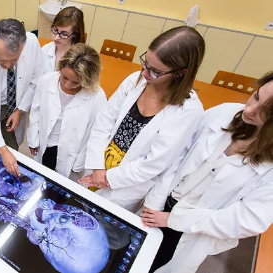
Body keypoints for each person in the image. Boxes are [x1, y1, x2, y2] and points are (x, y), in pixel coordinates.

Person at [141, 71, 273, 273]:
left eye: (263, 111)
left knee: (159, 266)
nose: (250, 109)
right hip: (161, 203)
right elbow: (179, 152)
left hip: (195, 229)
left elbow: (247, 220)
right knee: (132, 255)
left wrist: (173, 219)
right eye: (256, 96)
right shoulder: (225, 113)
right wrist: (155, 202)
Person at [79, 26, 205, 212]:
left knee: (100, 220)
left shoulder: (188, 111)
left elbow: (153, 163)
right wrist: (98, 167)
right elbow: (104, 122)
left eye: (155, 71)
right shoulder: (135, 80)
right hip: (97, 164)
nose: (145, 73)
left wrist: (108, 178)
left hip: (124, 183)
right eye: (145, 63)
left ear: (182, 72)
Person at [0, 18, 45, 177]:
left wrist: (20, 109)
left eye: (14, 60)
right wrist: (2, 151)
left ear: (22, 47)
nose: (8, 66)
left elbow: (36, 80)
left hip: (16, 103)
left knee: (13, 148)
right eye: (2, 60)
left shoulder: (31, 43)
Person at [27, 44, 106, 180]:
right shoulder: (47, 81)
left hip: (71, 154)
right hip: (45, 144)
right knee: (40, 179)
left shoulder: (97, 97)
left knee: (61, 190)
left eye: (75, 82)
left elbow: (93, 134)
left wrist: (79, 163)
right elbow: (35, 111)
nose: (67, 85)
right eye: (64, 77)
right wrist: (33, 138)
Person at [41, 6, 85, 72]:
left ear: (75, 34)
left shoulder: (80, 59)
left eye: (64, 34)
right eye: (55, 30)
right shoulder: (45, 49)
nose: (56, 37)